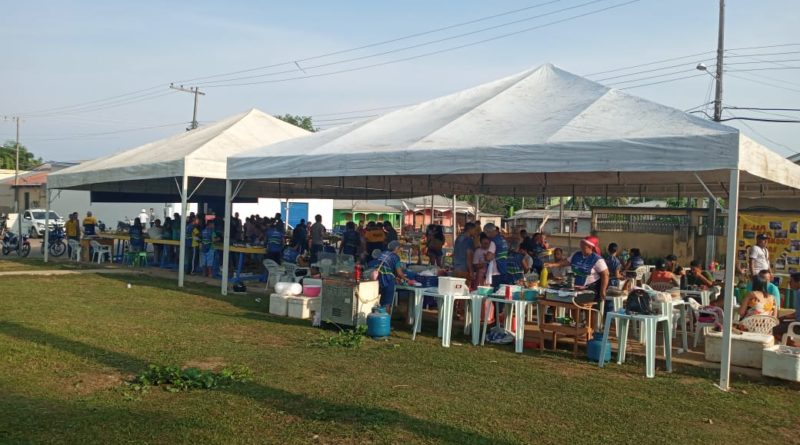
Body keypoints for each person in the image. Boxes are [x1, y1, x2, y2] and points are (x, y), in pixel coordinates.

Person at [545, 236, 608, 303]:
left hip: (590, 289)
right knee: (574, 305)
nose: (581, 248)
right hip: (576, 287)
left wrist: (603, 290)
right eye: (581, 246)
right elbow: (566, 262)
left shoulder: (597, 259)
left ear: (590, 247)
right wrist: (552, 265)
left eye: (584, 247)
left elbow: (605, 275)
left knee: (588, 308)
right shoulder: (576, 254)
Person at [376, 241, 408, 313]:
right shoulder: (395, 257)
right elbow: (399, 273)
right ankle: (386, 322)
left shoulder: (382, 253)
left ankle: (379, 318)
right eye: (399, 248)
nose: (399, 250)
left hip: (379, 280)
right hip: (388, 281)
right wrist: (407, 279)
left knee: (381, 302)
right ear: (396, 248)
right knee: (387, 304)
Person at [773, 273, 800, 344]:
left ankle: (793, 346)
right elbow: (798, 313)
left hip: (798, 325)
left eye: (791, 281)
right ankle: (791, 344)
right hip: (796, 323)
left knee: (772, 329)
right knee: (780, 323)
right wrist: (784, 317)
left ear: (798, 282)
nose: (789, 283)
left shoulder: (799, 292)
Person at [483, 223, 510, 290]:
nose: (486, 235)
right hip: (504, 268)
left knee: (496, 294)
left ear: (489, 231)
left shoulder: (494, 241)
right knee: (502, 293)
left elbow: (489, 257)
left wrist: (486, 256)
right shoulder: (503, 240)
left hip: (496, 271)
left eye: (486, 233)